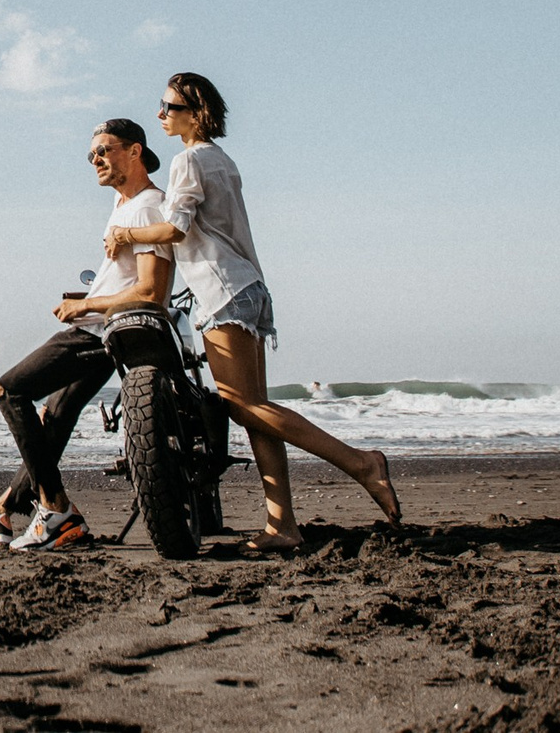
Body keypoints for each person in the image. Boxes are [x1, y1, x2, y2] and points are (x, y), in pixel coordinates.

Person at [103, 71, 400, 554]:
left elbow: (175, 230)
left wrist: (126, 235)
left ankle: (362, 463)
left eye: (169, 107)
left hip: (224, 291)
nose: (160, 115)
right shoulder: (222, 160)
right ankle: (282, 525)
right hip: (249, 288)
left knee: (244, 406)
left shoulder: (188, 161)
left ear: (195, 113)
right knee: (257, 412)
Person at [0, 118, 175, 553]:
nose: (96, 160)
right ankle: (0, 513)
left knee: (8, 391)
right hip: (105, 331)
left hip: (98, 331)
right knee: (54, 418)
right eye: (91, 155)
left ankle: (54, 509)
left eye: (104, 150)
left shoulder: (146, 207)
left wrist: (83, 306)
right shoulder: (125, 206)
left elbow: (151, 292)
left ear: (135, 151)